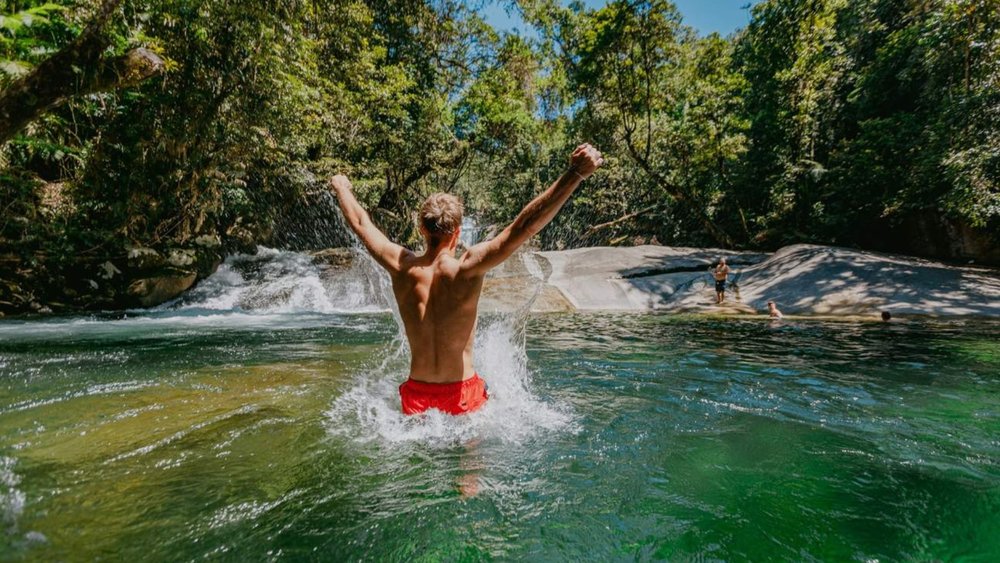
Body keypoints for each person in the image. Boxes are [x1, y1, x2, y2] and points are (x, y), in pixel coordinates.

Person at [330, 144, 604, 415]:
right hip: (463, 395)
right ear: (458, 232)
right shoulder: (467, 269)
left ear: (422, 228)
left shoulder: (401, 266)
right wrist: (575, 174)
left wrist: (342, 188)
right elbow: (524, 226)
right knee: (473, 455)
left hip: (416, 397)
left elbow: (361, 224)